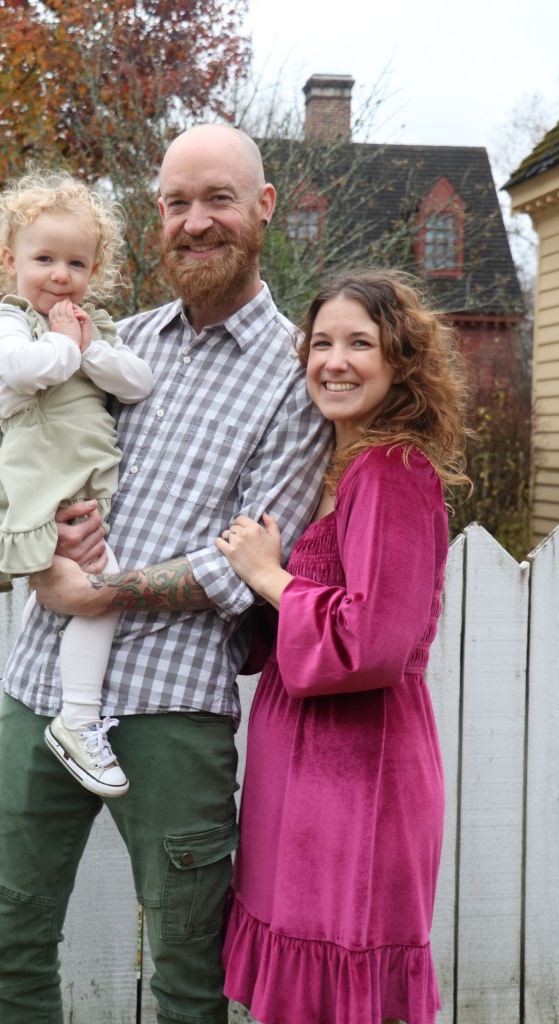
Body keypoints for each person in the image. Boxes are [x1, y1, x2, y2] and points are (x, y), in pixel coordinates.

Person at [0, 123, 332, 1024]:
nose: (194, 221)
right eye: (176, 202)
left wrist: (99, 592)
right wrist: (42, 539)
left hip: (173, 709)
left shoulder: (297, 376)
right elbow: (31, 456)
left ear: (262, 208)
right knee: (14, 951)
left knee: (185, 976)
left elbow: (245, 563)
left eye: (217, 199)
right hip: (41, 689)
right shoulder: (113, 344)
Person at [216, 268, 472, 1024]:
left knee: (343, 988)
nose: (334, 361)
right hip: (296, 769)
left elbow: (373, 642)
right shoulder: (332, 469)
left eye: (359, 343)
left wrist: (269, 576)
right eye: (320, 343)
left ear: (399, 360)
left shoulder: (393, 471)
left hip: (360, 775)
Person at [0, 169, 154, 797]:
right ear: (11, 262)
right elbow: (20, 368)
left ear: (94, 270)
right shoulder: (2, 320)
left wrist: (92, 348)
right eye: (44, 259)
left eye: (76, 263)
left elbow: (138, 383)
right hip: (40, 476)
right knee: (101, 588)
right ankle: (77, 717)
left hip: (82, 478)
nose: (60, 275)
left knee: (81, 584)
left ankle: (61, 696)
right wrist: (66, 345)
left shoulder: (91, 323)